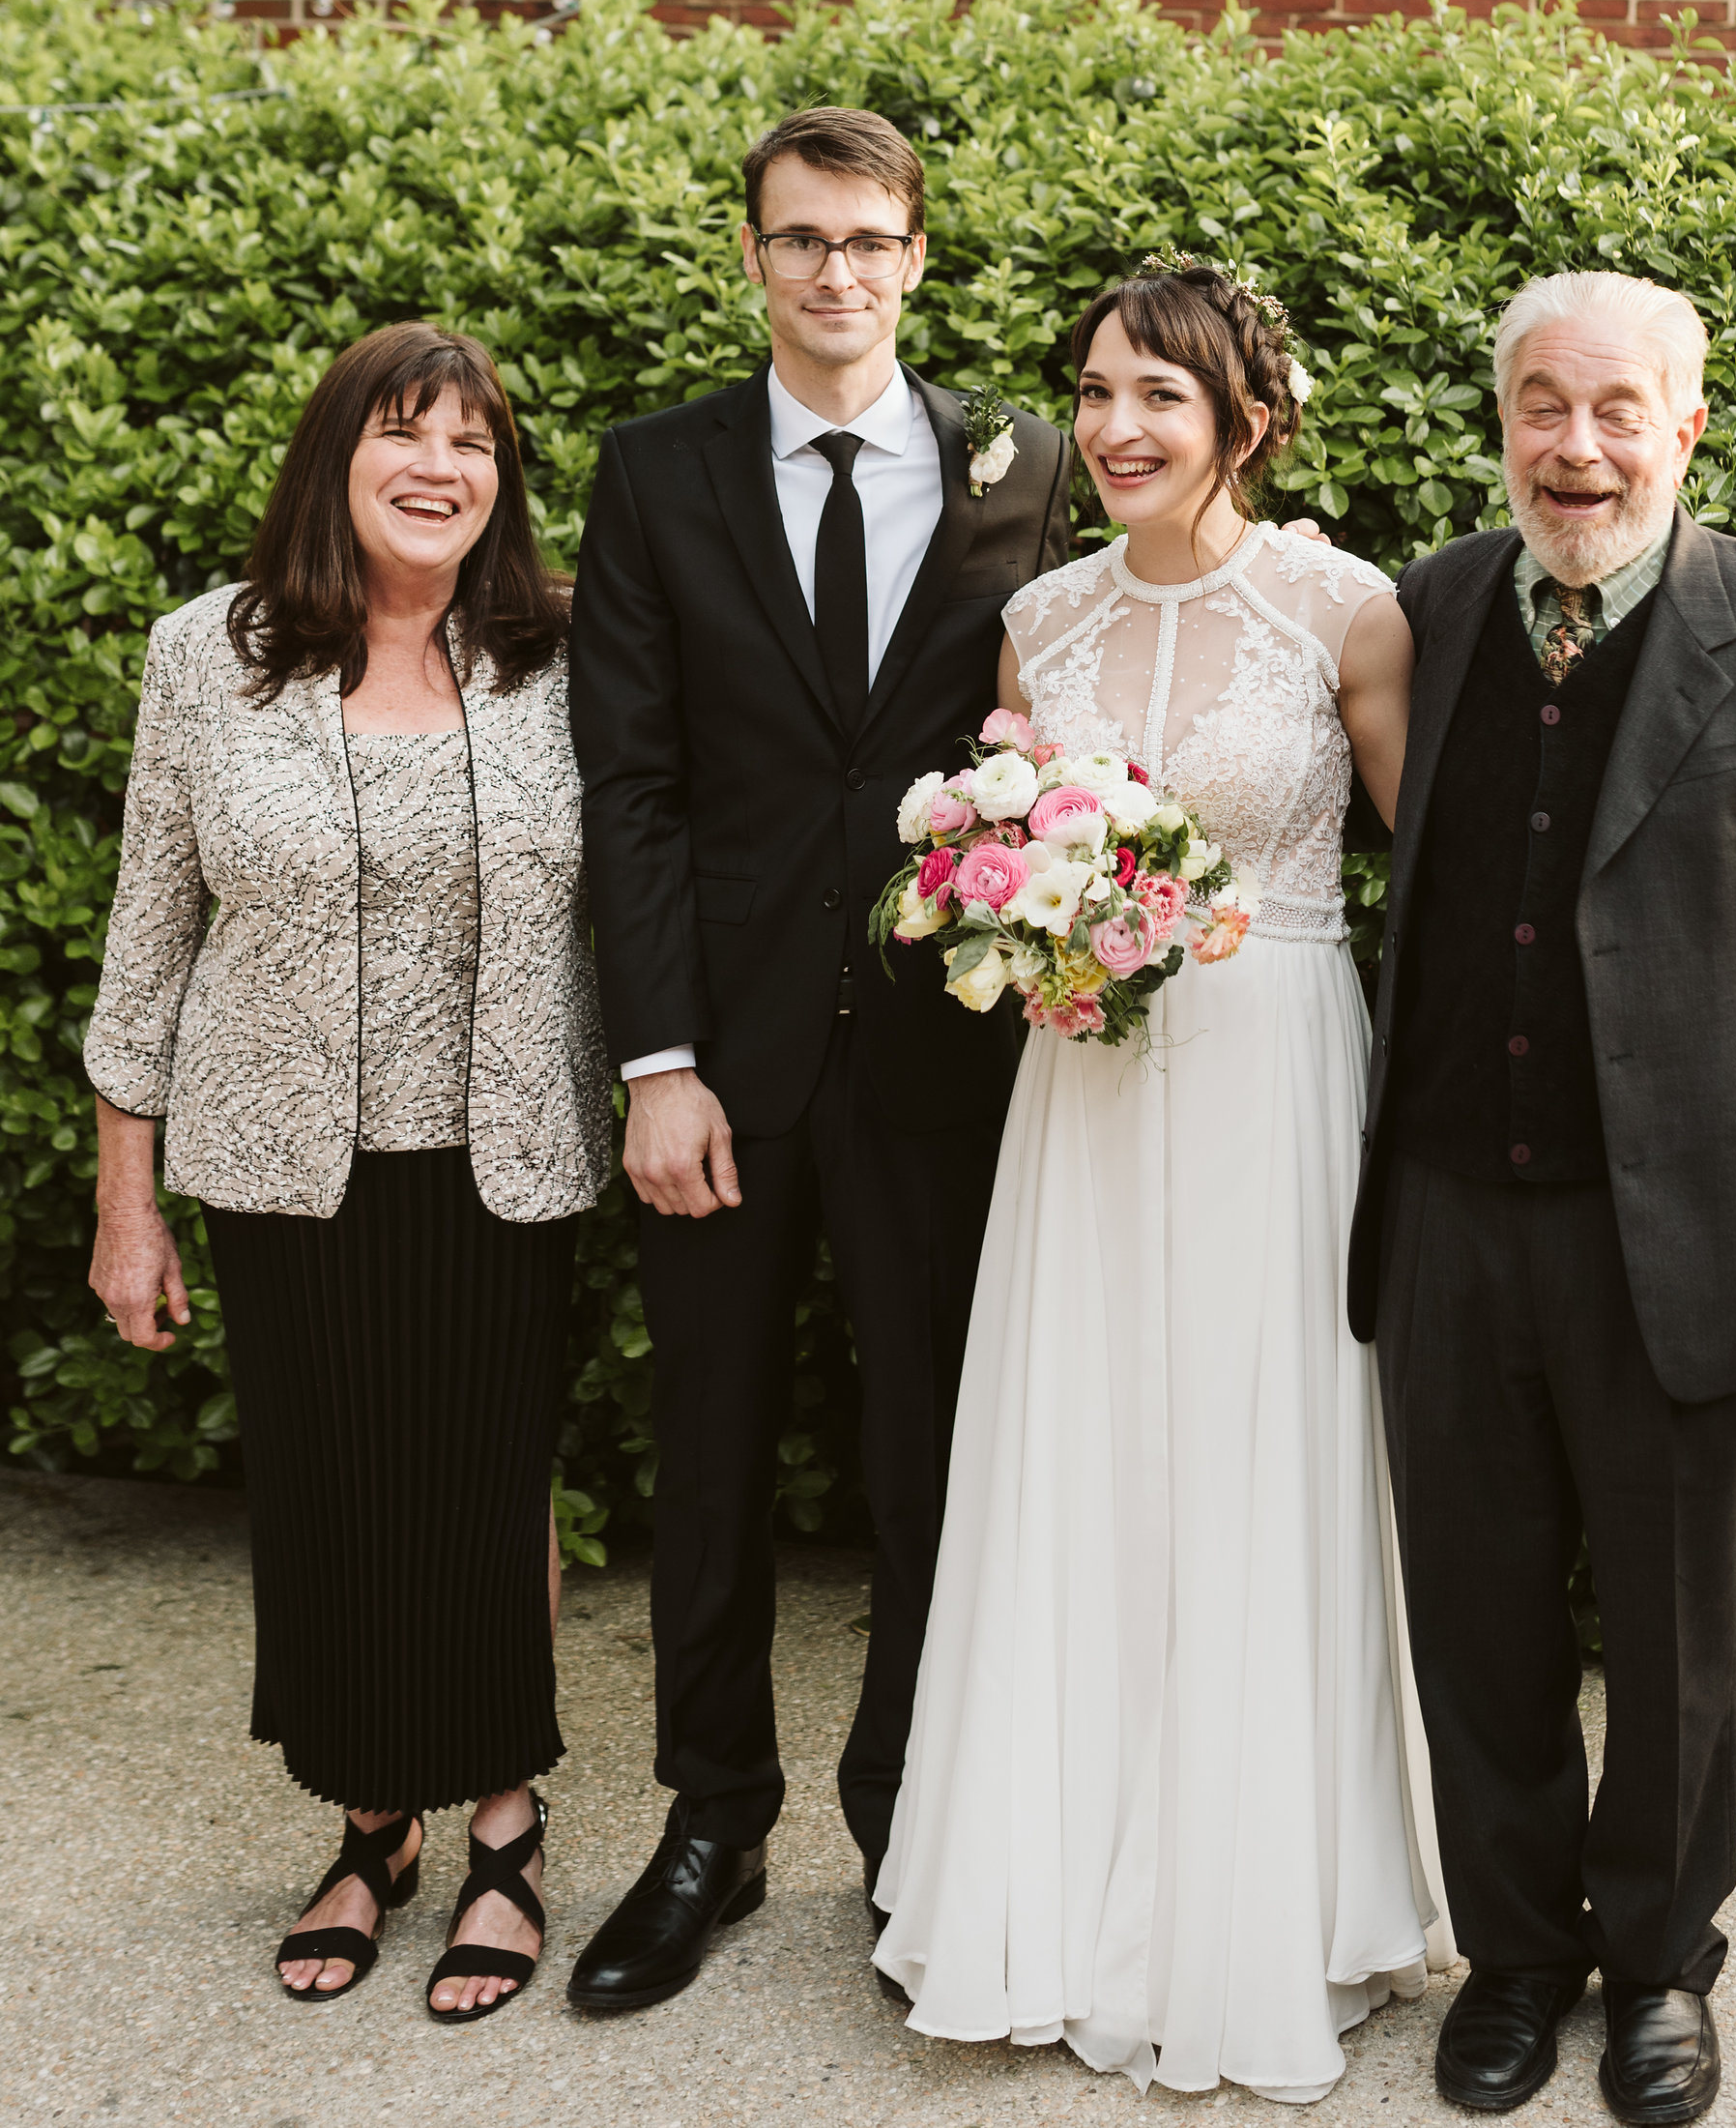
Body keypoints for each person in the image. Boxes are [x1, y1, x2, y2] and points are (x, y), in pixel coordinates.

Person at [873, 255, 1454, 2106]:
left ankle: (1260, 1907)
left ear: (1245, 422)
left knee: (1254, 1450)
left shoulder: (1348, 613)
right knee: (1086, 1448)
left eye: (1164, 400)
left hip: (1276, 1064)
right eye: (1100, 391)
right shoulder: (1035, 623)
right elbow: (1008, 838)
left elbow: (1428, 876)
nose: (1118, 428)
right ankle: (1049, 1887)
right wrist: (1013, 902)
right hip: (1087, 1085)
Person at [1349, 269, 1736, 2126]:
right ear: (1499, 419)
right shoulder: (1429, 607)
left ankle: (1662, 1959)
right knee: (1477, 1611)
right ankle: (1517, 1953)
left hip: (1681, 1232)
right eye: (1538, 406)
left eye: (1613, 411)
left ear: (1687, 421)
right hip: (1445, 1208)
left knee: (1679, 1635)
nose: (1572, 450)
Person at [564, 105, 1072, 2015]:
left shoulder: (1019, 467)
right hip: (724, 1062)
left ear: (916, 257)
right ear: (754, 255)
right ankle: (710, 1818)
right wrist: (659, 1059)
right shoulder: (656, 475)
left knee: (929, 1453)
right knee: (706, 1457)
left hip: (946, 1056)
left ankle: (904, 1818)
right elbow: (632, 783)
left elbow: (1043, 725)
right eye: (799, 240)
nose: (834, 273)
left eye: (868, 240)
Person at [84, 323, 612, 2024]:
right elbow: (150, 932)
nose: (439, 467)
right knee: (329, 1491)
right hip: (280, 1158)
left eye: (471, 442)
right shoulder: (208, 657)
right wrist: (127, 1195)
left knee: (487, 1486)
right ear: (339, 456)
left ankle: (507, 1832)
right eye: (404, 433)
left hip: (510, 1147)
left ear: (500, 478)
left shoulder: (573, 655)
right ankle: (372, 1823)